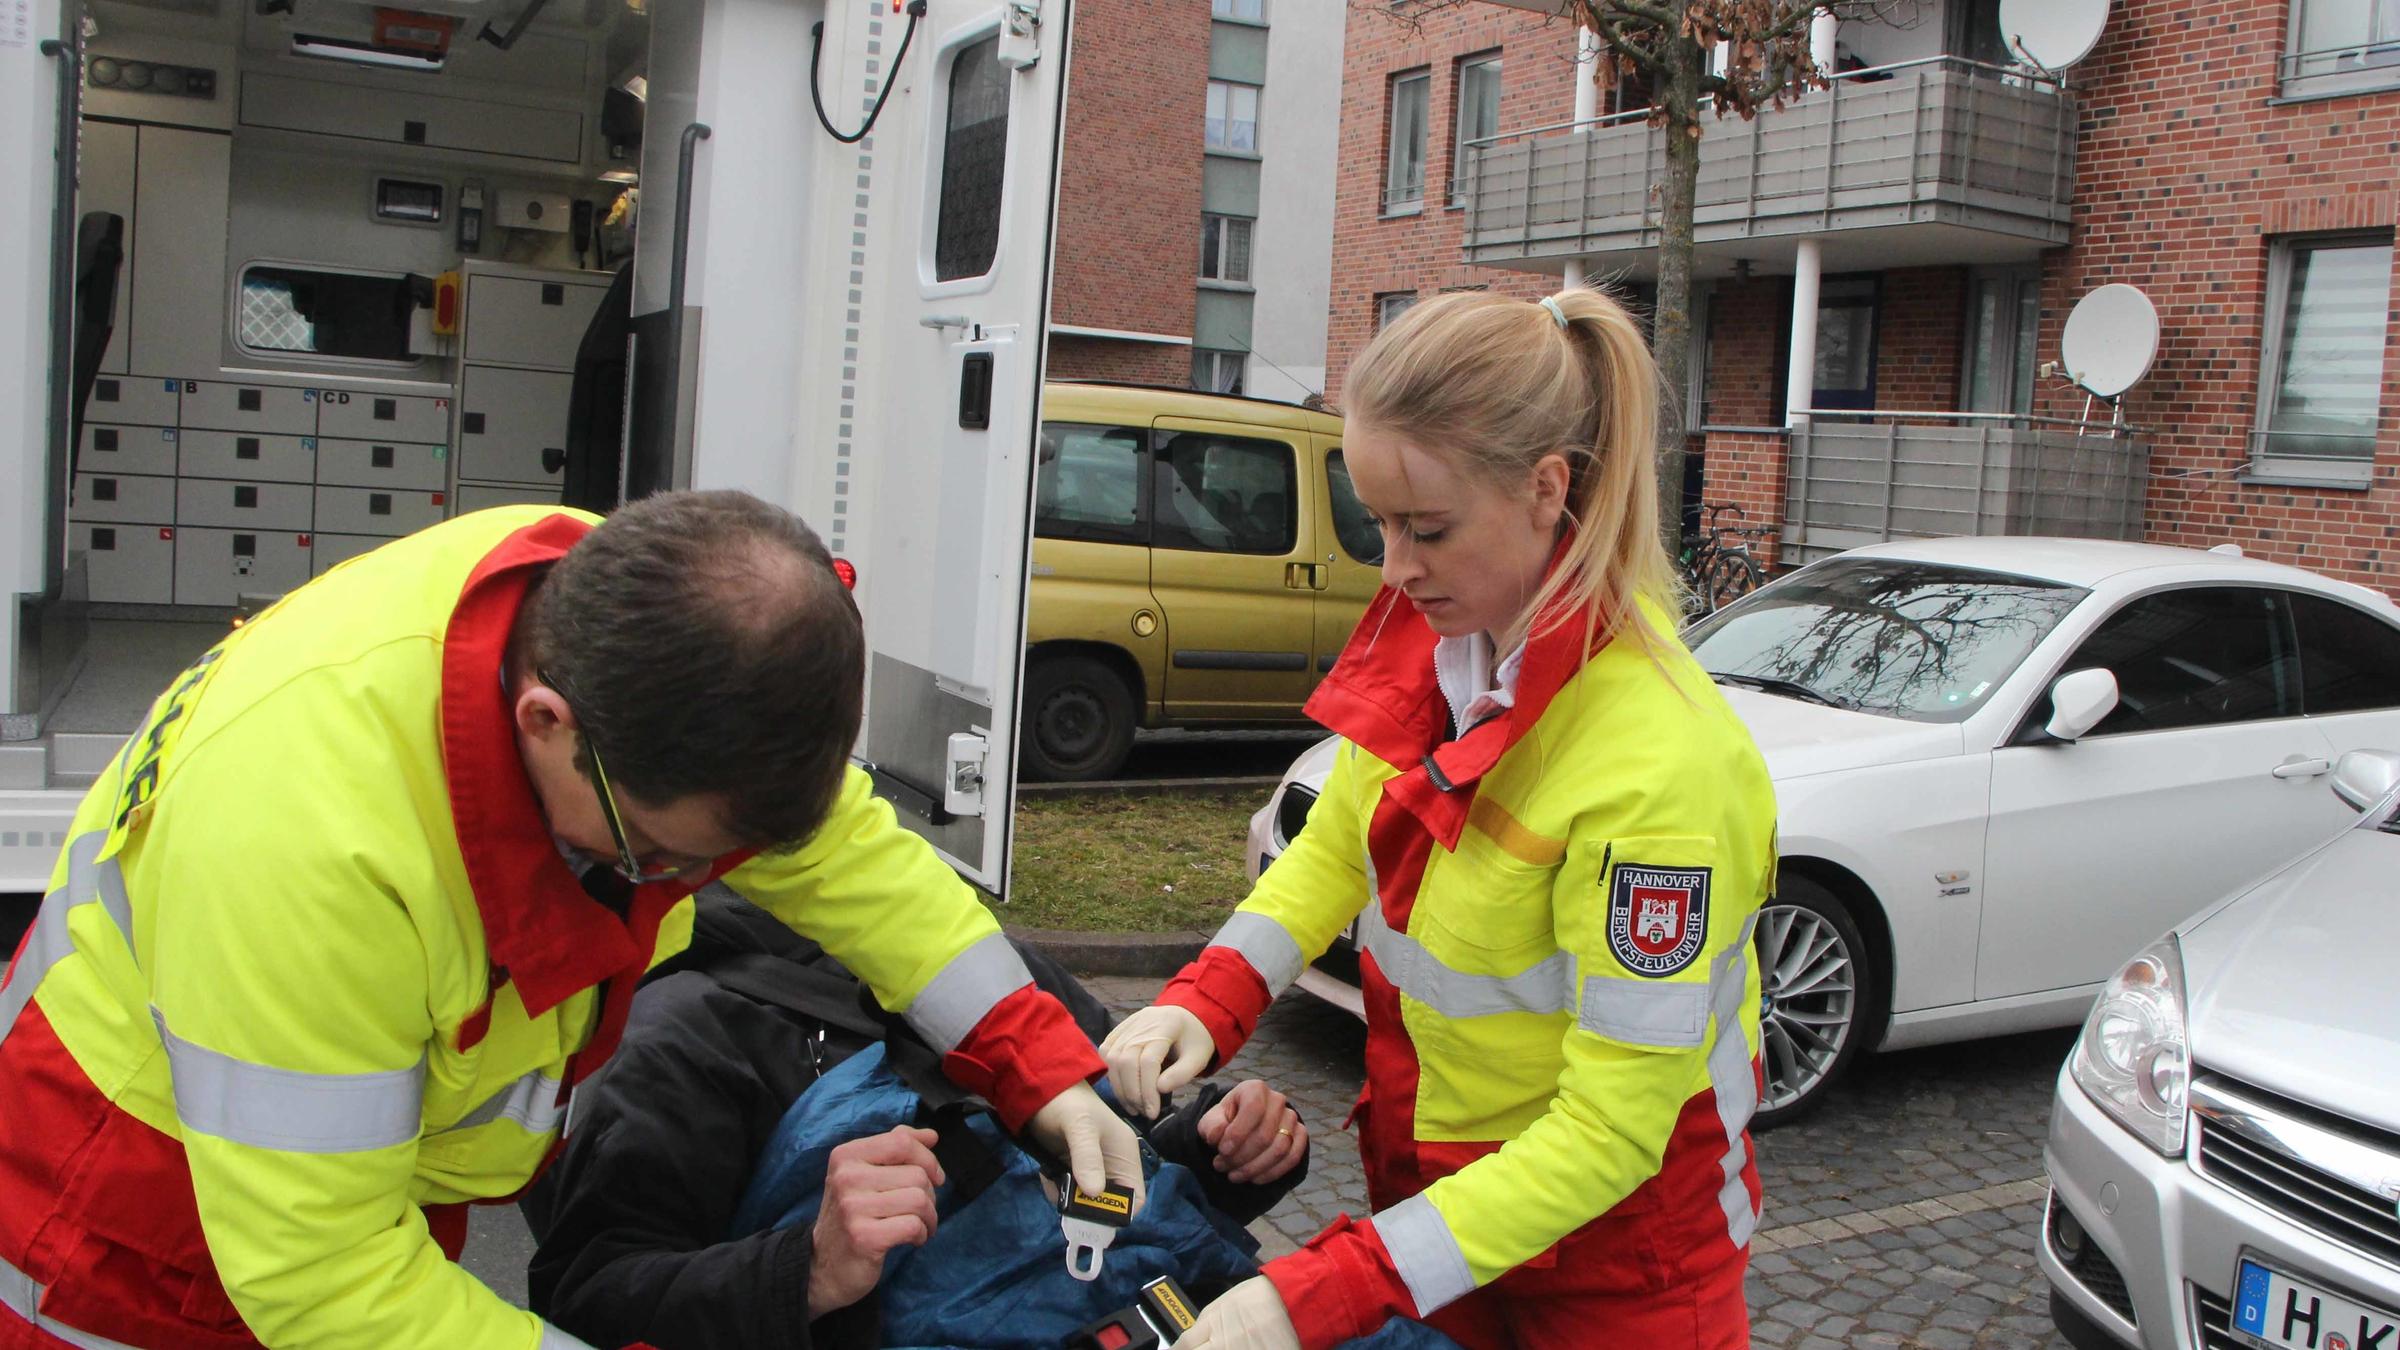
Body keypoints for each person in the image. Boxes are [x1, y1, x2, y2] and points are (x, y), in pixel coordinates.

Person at [0, 492, 1143, 1349]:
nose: (678, 882)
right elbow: (329, 1284)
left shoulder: (629, 624)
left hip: (349, 1197)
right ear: (547, 722)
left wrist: (1039, 1067)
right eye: (664, 852)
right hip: (129, 1243)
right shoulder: (312, 845)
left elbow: (845, 859)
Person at [1102, 289, 1778, 1350]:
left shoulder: (1659, 768)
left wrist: (1317, 1292)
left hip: (1622, 1269)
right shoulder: (1450, 637)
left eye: (1427, 528)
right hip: (1449, 1216)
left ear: (1548, 490)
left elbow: (1611, 1135)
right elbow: (1336, 848)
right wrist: (1207, 997)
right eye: (1378, 521)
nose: (1394, 567)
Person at [524, 887, 1313, 1349]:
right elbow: (586, 1293)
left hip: (1193, 1310)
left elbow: (1112, 1154)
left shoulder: (977, 957)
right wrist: (809, 1270)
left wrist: (1216, 1150)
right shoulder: (679, 1035)